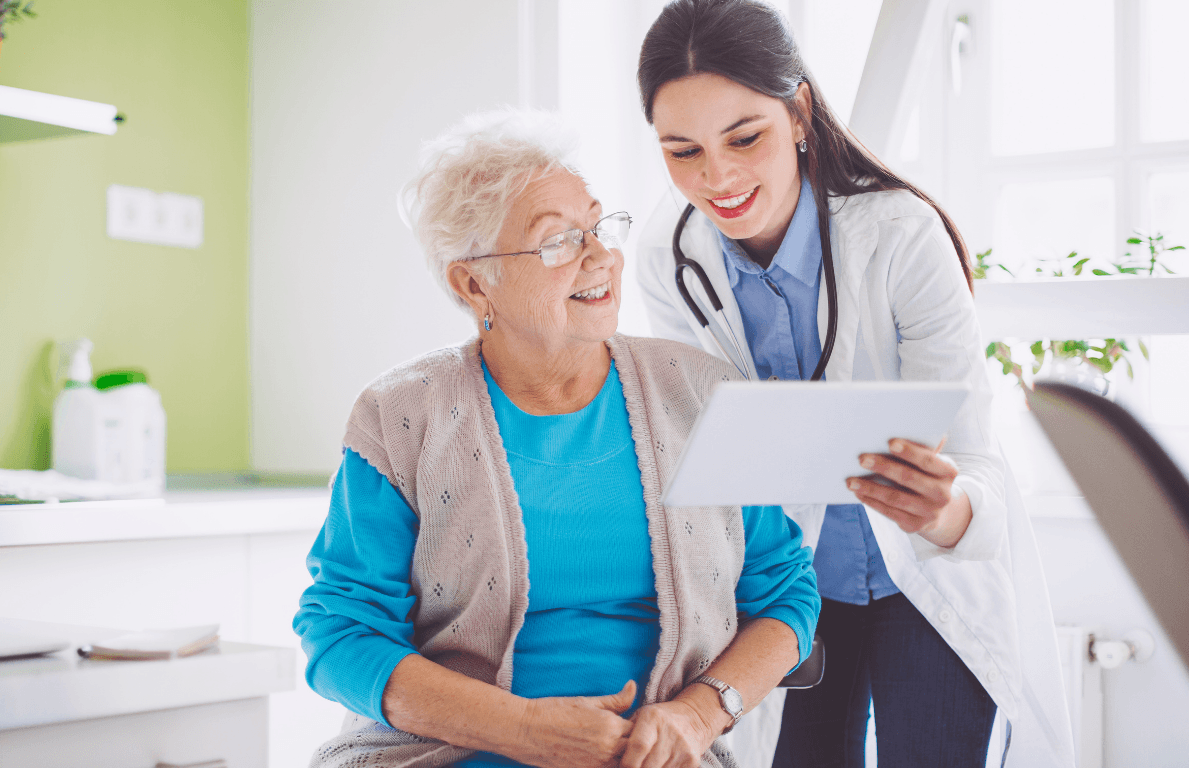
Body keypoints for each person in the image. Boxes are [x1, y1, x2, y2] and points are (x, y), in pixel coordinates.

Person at [293, 109, 820, 768]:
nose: (600, 255)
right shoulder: (400, 417)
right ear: (473, 280)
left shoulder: (703, 393)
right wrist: (516, 729)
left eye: (598, 226)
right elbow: (341, 633)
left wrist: (696, 713)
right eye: (559, 240)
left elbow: (785, 593)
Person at [633, 1, 1075, 766]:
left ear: (799, 111)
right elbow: (702, 440)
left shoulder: (901, 236)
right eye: (683, 152)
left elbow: (975, 462)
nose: (719, 178)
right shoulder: (667, 250)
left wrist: (945, 511)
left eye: (746, 138)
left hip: (925, 589)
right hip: (784, 594)